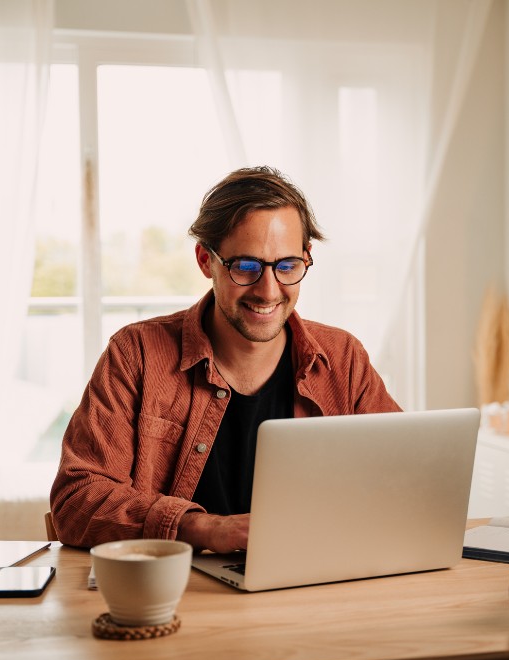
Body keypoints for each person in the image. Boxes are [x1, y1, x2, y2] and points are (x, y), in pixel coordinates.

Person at [50, 166, 400, 552]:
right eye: (246, 267)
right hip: (179, 593)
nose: (268, 291)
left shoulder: (343, 358)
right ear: (206, 261)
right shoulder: (136, 355)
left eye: (286, 267)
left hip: (310, 585)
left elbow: (402, 477)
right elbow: (76, 500)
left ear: (306, 258)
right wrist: (203, 529)